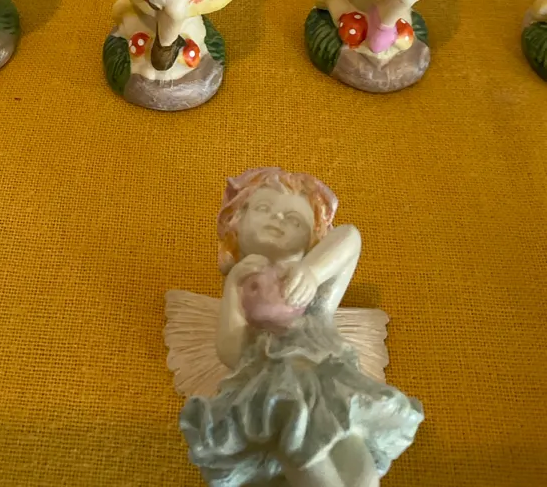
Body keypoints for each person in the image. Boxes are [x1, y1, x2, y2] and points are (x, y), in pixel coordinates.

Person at [180, 168, 423, 487]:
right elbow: (231, 352)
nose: (278, 219)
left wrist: (312, 271)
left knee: (361, 475)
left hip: (331, 382)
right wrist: (233, 289)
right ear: (236, 221)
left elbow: (350, 236)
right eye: (263, 208)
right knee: (299, 444)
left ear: (313, 238)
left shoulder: (316, 293)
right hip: (275, 387)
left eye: (295, 220)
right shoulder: (242, 283)